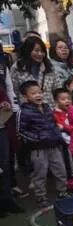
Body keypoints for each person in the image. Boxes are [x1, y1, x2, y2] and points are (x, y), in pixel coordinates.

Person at [16, 80, 68, 207]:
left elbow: (53, 124)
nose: (38, 95)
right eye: (33, 93)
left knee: (60, 169)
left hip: (54, 144)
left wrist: (58, 136)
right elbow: (21, 131)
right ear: (25, 96)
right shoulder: (23, 111)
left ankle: (63, 191)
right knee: (40, 173)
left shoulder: (47, 107)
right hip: (38, 149)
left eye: (39, 92)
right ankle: (41, 196)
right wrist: (38, 139)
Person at [0, 63, 23, 216]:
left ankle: (6, 198)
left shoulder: (2, 66)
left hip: (3, 122)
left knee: (5, 162)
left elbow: (8, 91)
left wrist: (7, 105)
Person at [11, 36, 59, 109]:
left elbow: (57, 89)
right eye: (36, 51)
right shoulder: (17, 67)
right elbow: (15, 91)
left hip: (49, 109)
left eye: (42, 51)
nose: (40, 54)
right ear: (28, 51)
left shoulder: (49, 66)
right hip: (28, 110)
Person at [52, 88, 73, 189]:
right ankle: (71, 181)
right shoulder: (55, 114)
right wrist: (66, 128)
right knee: (68, 162)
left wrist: (65, 128)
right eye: (63, 99)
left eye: (68, 98)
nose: (67, 101)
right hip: (65, 143)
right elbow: (62, 127)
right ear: (56, 101)